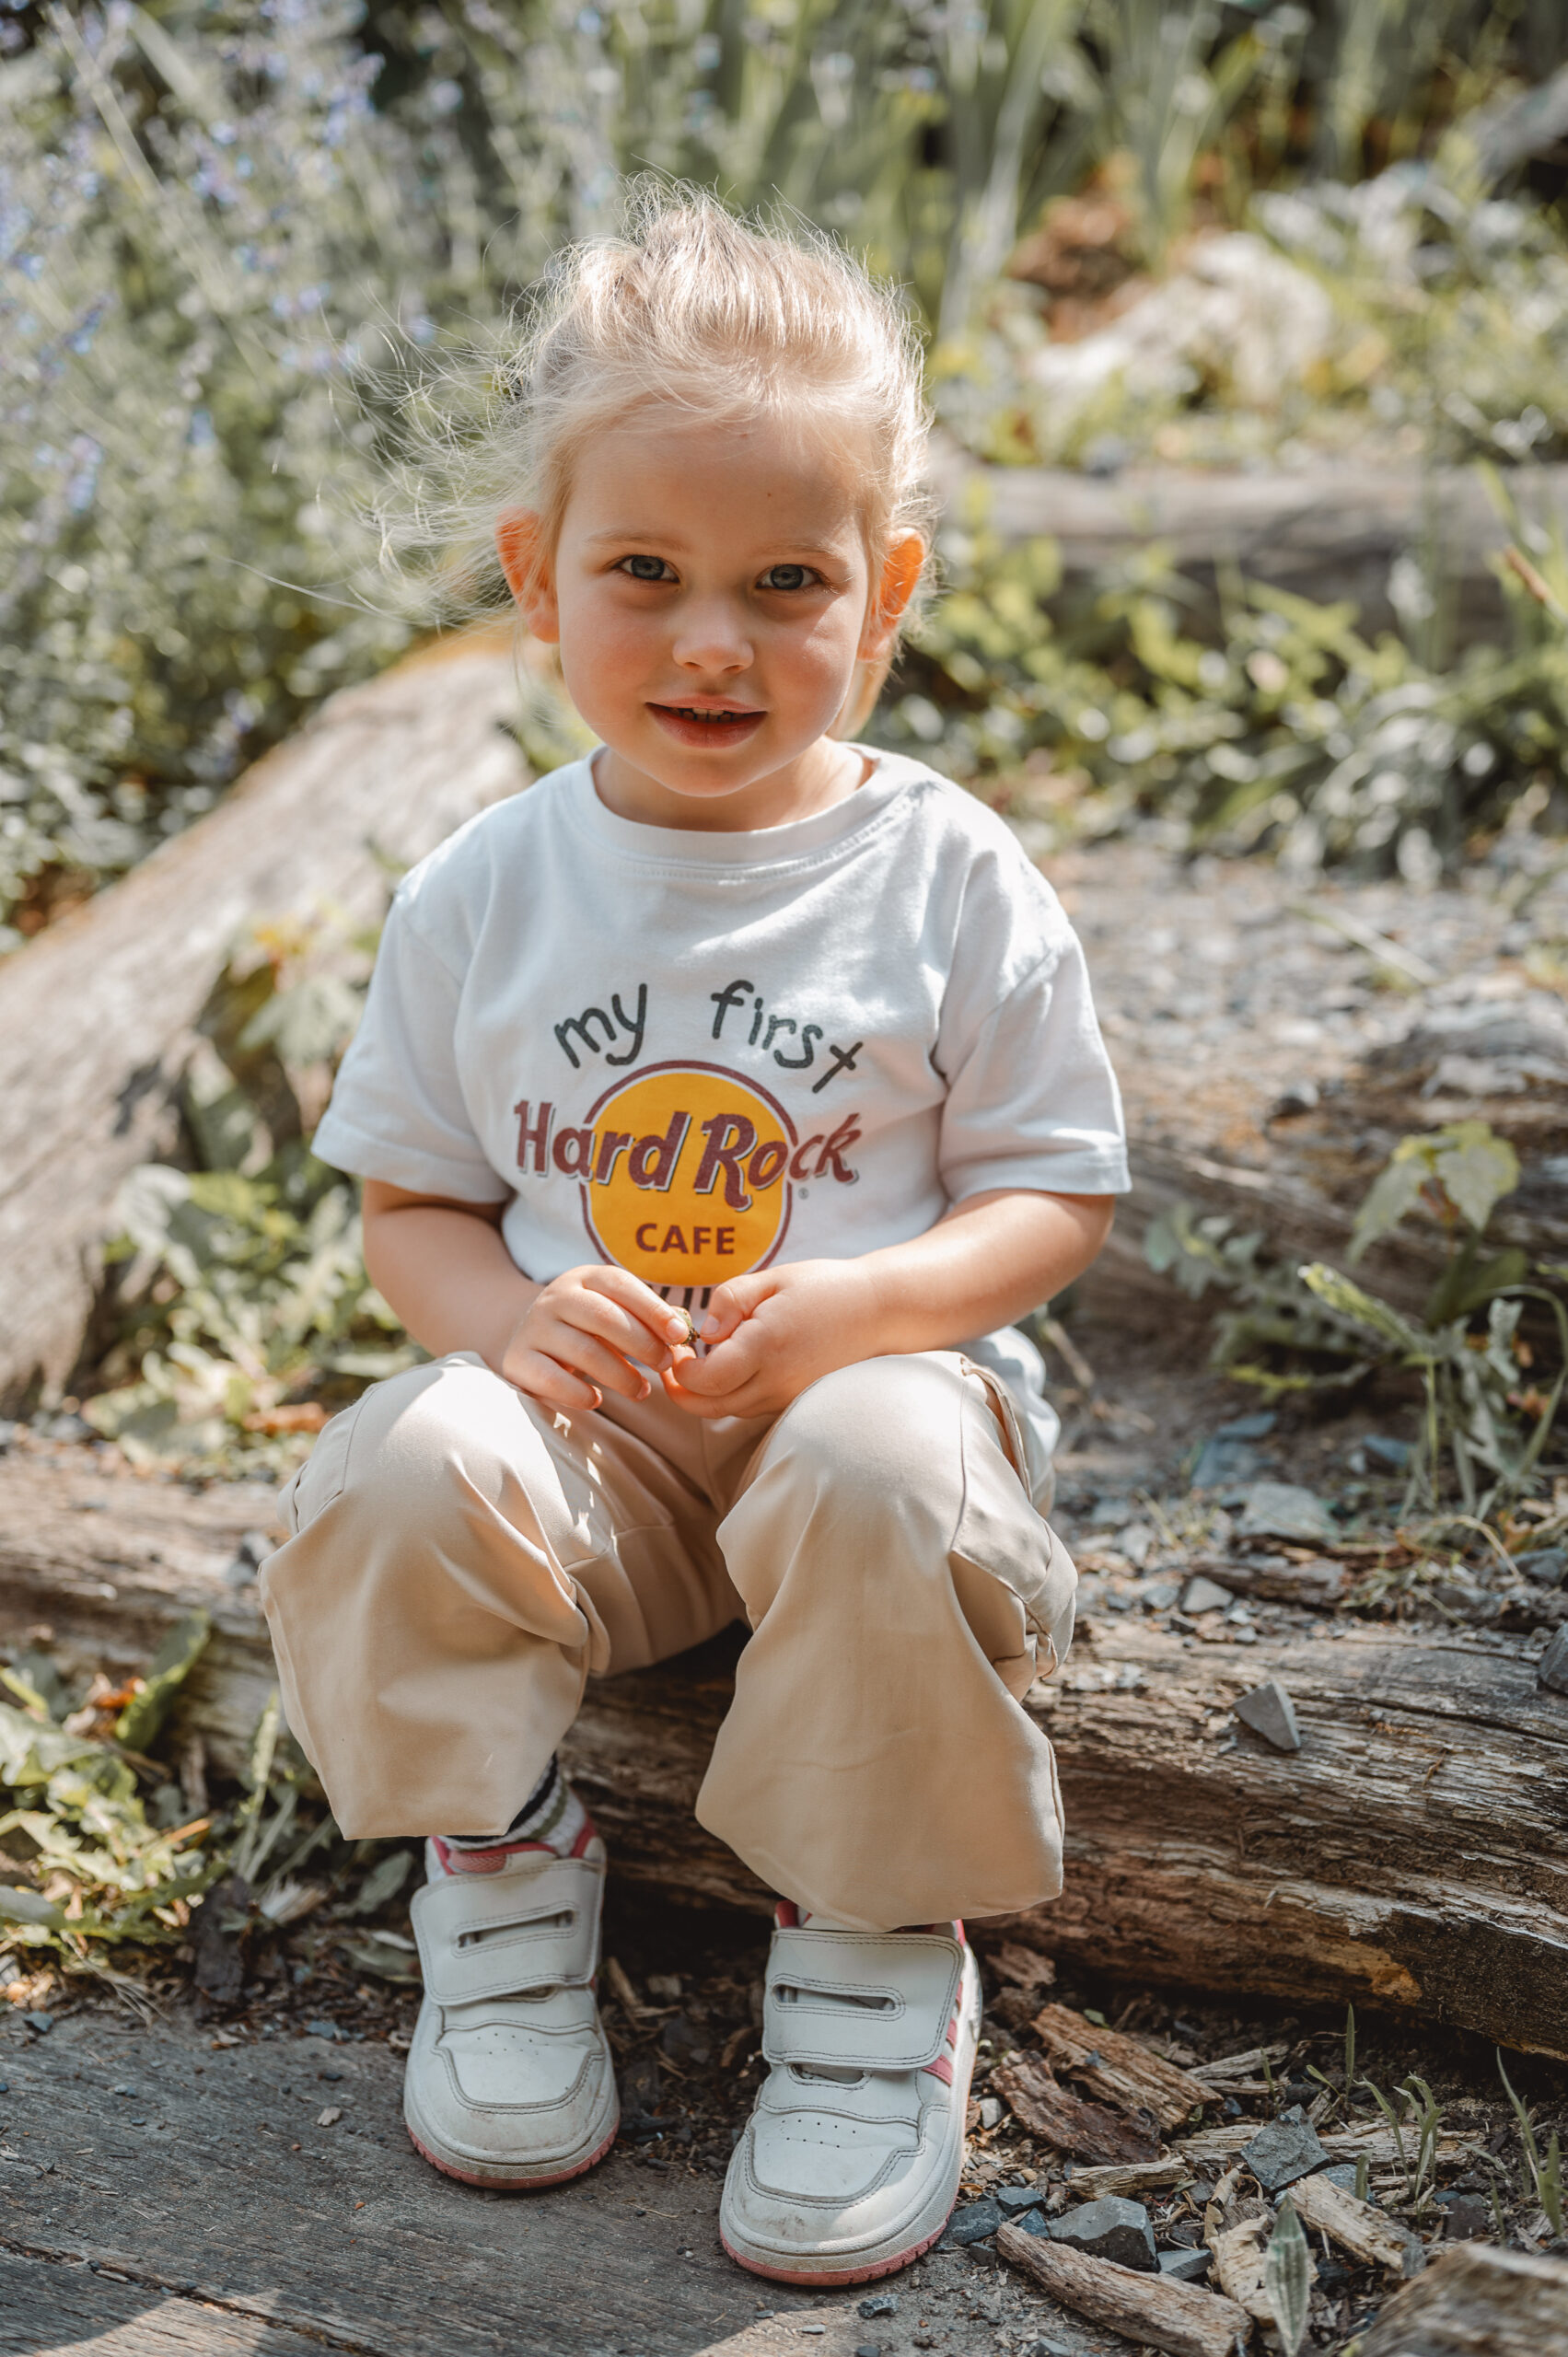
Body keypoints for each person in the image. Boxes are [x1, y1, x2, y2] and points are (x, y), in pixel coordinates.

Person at [260, 187, 1129, 2287]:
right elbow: (413, 1206)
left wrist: (871, 1307)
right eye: (642, 573)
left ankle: (875, 1931)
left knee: (876, 1452)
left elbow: (1056, 1191)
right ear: (534, 577)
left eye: (786, 581)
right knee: (396, 1462)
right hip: (617, 1465)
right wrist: (505, 1317)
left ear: (886, 590)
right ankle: (499, 1860)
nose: (712, 641)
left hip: (879, 1439)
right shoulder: (486, 891)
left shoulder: (944, 874)